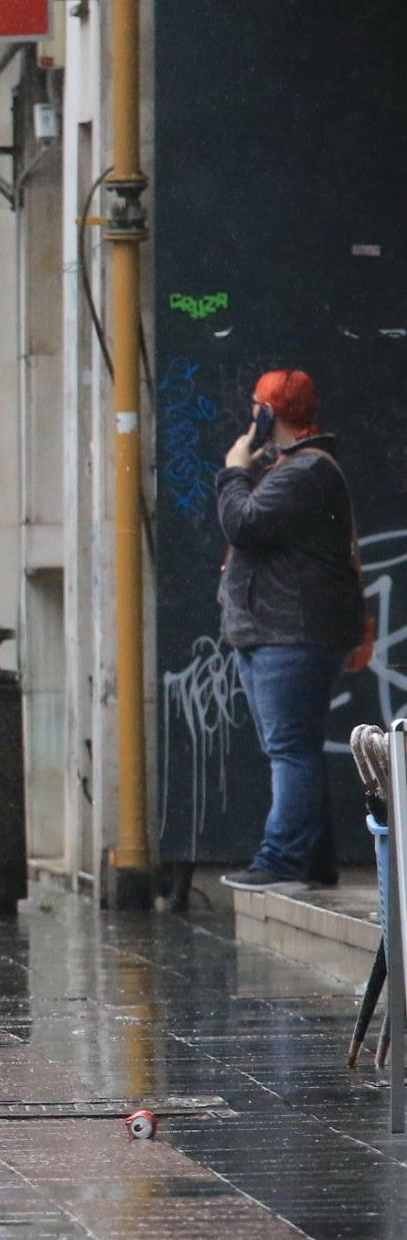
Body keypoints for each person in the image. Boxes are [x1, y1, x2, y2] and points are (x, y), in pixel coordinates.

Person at [218, 368, 363, 893]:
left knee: (290, 749)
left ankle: (280, 860)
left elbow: (243, 524)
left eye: (257, 406)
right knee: (295, 746)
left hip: (291, 633)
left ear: (266, 413)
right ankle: (316, 859)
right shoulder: (292, 468)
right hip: (272, 630)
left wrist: (235, 470)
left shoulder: (303, 473)